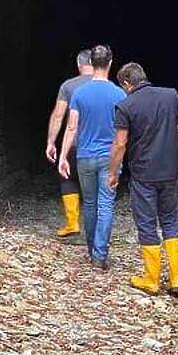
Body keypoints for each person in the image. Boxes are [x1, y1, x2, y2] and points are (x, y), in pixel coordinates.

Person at [107, 63, 178, 297]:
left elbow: (120, 144)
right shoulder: (170, 95)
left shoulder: (125, 106)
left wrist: (113, 173)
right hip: (171, 169)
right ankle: (176, 280)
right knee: (170, 219)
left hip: (144, 173)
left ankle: (151, 280)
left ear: (126, 83)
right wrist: (162, 129)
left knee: (146, 222)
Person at [59, 45, 126, 270]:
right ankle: (100, 255)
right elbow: (124, 131)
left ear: (91, 63)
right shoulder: (119, 94)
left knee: (89, 203)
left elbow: (71, 127)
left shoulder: (79, 93)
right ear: (109, 63)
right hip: (110, 157)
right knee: (105, 203)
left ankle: (90, 250)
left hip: (84, 156)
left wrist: (63, 156)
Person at [45, 49, 93, 240]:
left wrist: (51, 141)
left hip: (74, 145)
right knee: (96, 187)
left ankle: (72, 224)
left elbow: (58, 115)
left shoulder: (69, 86)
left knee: (68, 178)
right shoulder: (107, 86)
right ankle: (95, 232)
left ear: (79, 64)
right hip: (99, 146)